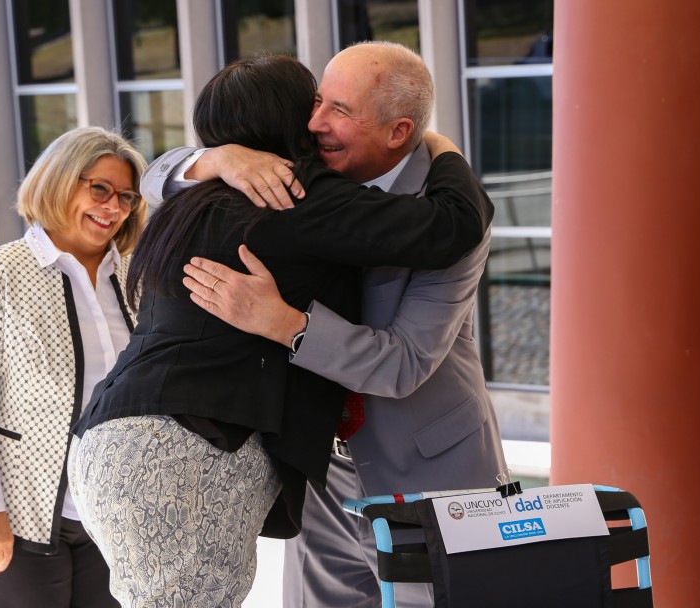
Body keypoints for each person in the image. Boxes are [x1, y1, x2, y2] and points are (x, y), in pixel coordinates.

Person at [67, 54, 493, 608]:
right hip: (287, 467)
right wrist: (221, 158)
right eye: (313, 103)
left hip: (415, 470)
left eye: (335, 108)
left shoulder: (242, 197)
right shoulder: (276, 189)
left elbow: (404, 359)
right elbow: (154, 175)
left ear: (399, 131)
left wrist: (284, 324)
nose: (316, 122)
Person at [0, 126, 148, 608]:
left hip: (112, 515)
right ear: (59, 180)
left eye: (126, 197)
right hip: (16, 514)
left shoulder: (139, 276)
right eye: (99, 189)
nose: (112, 208)